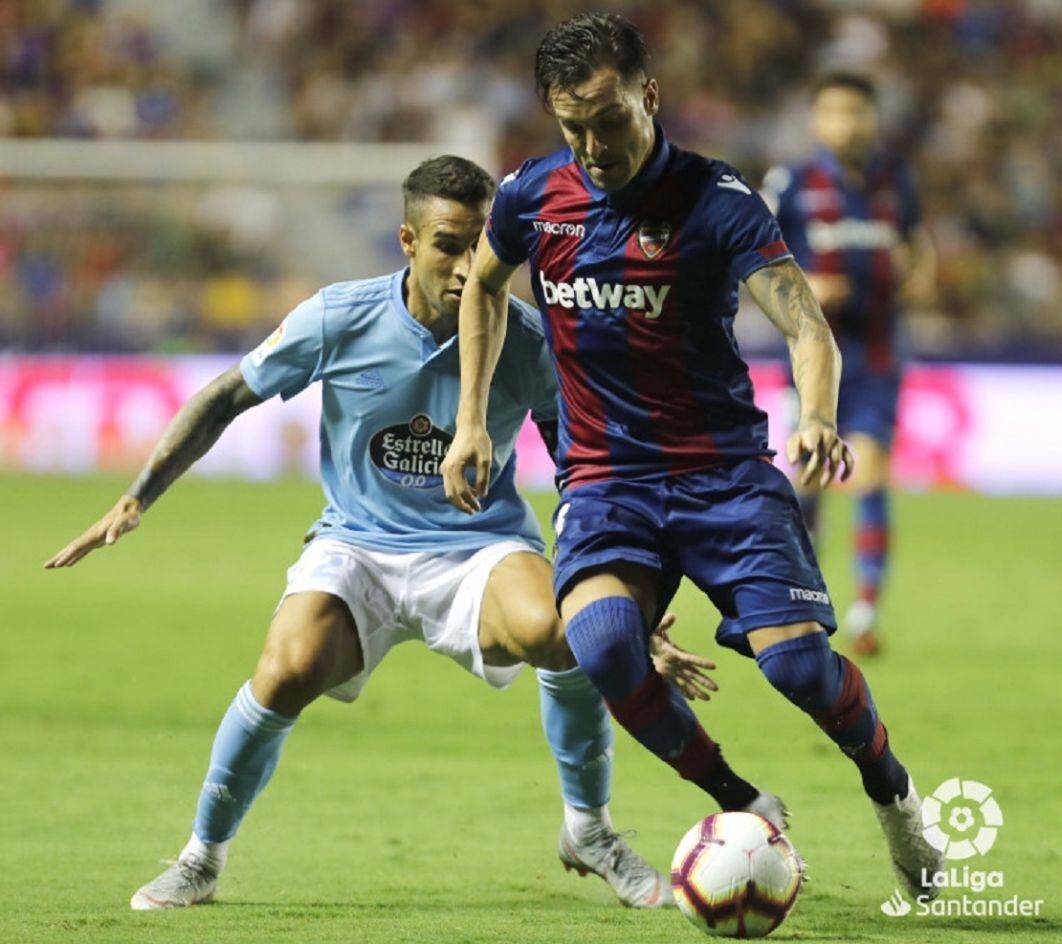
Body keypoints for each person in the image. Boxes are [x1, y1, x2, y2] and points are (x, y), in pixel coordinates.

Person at [44, 155, 749, 911]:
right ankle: (201, 857)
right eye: (449, 244)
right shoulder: (339, 316)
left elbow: (589, 470)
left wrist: (612, 612)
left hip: (479, 549)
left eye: (485, 244)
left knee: (563, 631)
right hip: (357, 549)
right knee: (284, 669)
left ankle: (589, 827)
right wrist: (136, 497)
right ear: (406, 240)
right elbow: (223, 398)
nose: (469, 264)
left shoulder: (530, 342)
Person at [441, 13, 942, 898]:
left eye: (608, 118)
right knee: (602, 646)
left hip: (723, 478)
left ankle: (894, 794)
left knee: (795, 666)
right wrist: (472, 420)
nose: (593, 146)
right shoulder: (532, 195)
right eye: (573, 127)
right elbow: (482, 284)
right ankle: (743, 802)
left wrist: (818, 416)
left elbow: (804, 322)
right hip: (605, 481)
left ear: (650, 93)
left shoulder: (718, 201)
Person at [762, 72, 936, 656]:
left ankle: (863, 612)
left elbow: (916, 244)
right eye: (834, 111)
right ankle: (806, 603)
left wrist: (918, 272)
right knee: (808, 479)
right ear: (816, 119)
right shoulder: (790, 184)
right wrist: (806, 284)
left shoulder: (894, 181)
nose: (846, 123)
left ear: (873, 118)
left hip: (878, 353)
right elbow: (754, 266)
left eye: (857, 112)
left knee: (872, 471)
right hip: (811, 356)